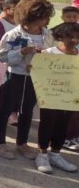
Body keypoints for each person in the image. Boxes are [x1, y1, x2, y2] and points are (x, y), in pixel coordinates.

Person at [0, 0, 54, 160]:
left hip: (35, 78)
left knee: (27, 110)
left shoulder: (48, 35)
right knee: (5, 108)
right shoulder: (13, 35)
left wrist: (44, 56)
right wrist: (22, 52)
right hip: (15, 76)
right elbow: (3, 57)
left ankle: (22, 143)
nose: (48, 19)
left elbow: (53, 54)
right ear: (31, 17)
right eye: (44, 16)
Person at [34, 22, 79, 173]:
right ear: (60, 36)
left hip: (70, 98)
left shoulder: (78, 55)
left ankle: (56, 153)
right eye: (70, 37)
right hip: (50, 96)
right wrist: (34, 67)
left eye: (77, 37)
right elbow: (38, 72)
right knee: (48, 123)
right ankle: (42, 154)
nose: (74, 40)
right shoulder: (49, 53)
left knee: (62, 124)